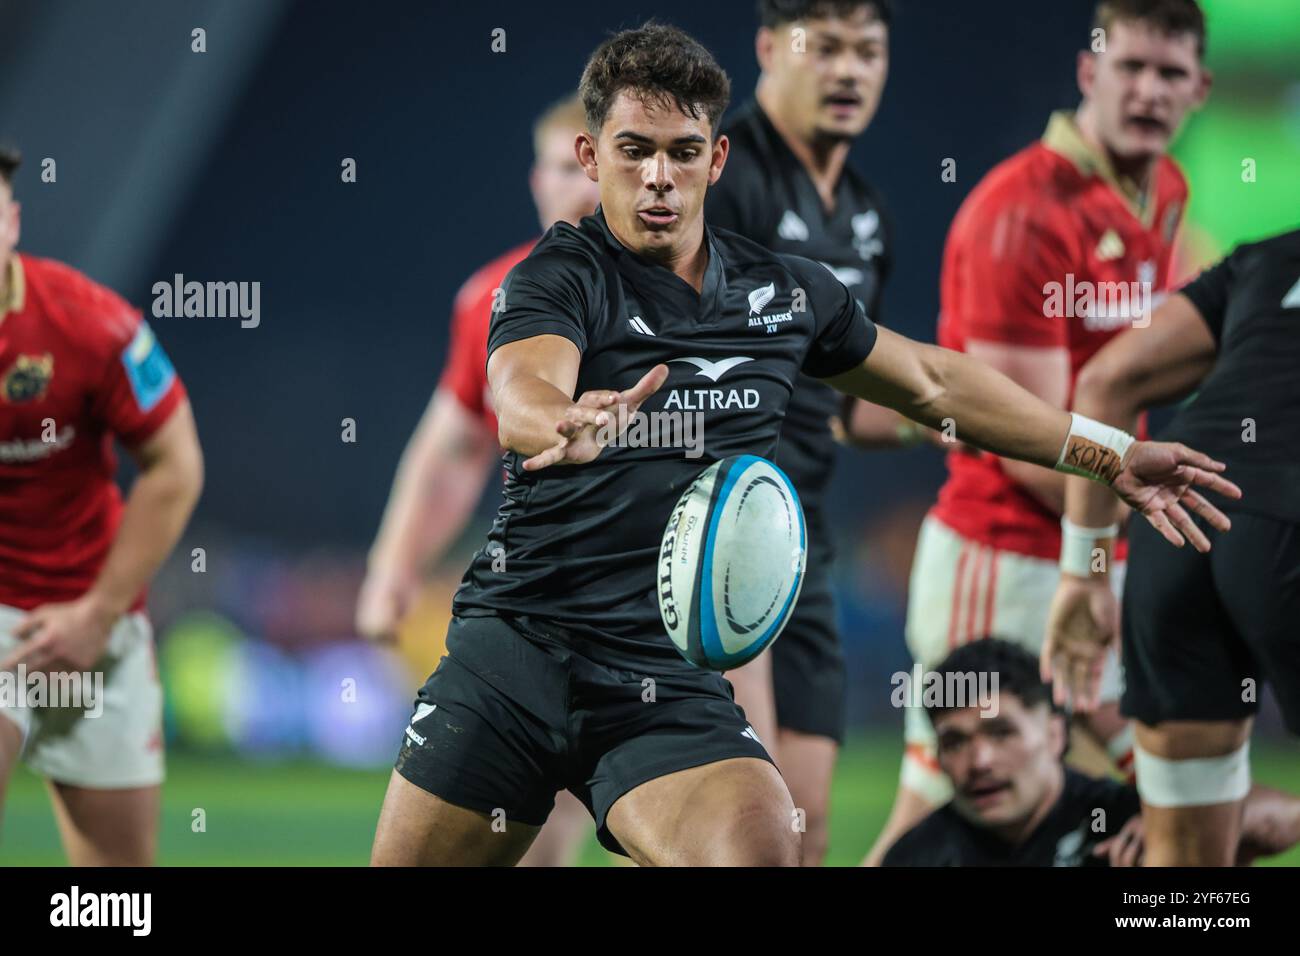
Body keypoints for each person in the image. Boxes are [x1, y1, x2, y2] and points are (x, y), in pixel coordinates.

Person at [368, 21, 1236, 867]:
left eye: (682, 150)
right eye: (634, 150)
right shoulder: (555, 276)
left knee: (768, 848)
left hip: (662, 682)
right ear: (593, 160)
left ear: (717, 159)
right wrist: (562, 419)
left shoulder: (787, 295)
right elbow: (519, 386)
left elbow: (935, 384)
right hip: (512, 659)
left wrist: (1107, 451)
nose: (659, 177)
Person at [868, 0, 1213, 865]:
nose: (1148, 91)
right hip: (1003, 554)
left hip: (1091, 547)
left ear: (1201, 89)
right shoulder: (1018, 217)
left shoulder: (1162, 191)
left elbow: (1190, 317)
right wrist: (1148, 504)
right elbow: (1024, 446)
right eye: (1129, 67)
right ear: (1088, 73)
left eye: (1169, 73)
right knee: (935, 816)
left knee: (1190, 799)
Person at [355, 94, 599, 867]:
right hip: (543, 607)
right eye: (565, 166)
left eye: (594, 166)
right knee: (533, 832)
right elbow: (452, 450)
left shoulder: (692, 291)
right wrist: (393, 569)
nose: (581, 188)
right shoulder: (494, 297)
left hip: (669, 608)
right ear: (537, 181)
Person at [703, 0, 916, 865]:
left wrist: (957, 416)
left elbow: (857, 407)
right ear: (767, 49)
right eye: (823, 48)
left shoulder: (868, 214)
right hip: (719, 525)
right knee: (733, 823)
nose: (849, 71)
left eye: (867, 51)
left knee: (805, 828)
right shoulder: (725, 178)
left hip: (807, 546)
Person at [1045, 227, 1300, 865]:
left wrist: (1086, 575)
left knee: (1184, 873)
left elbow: (1107, 381)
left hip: (1180, 522)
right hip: (1285, 526)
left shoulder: (1269, 257)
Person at [0, 145, 204, 865]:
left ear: (13, 220)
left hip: (96, 617)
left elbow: (175, 466)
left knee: (115, 897)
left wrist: (97, 613)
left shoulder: (92, 325)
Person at [882, 639, 1300, 866]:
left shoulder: (1123, 819)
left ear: (1054, 733)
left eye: (1001, 732)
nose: (980, 762)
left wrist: (1185, 825)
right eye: (956, 742)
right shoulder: (918, 855)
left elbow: (1284, 816)